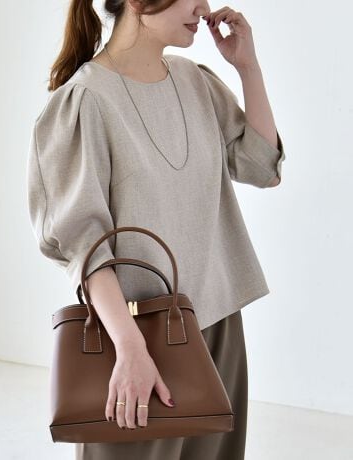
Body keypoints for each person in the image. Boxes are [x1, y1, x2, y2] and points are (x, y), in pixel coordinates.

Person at [26, 0, 286, 458]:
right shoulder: (86, 99)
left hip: (218, 324)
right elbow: (85, 247)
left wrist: (248, 68)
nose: (204, 7)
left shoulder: (194, 80)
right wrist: (130, 348)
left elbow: (262, 168)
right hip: (137, 330)